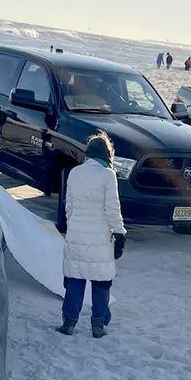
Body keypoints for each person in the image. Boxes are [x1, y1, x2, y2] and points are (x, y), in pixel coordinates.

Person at [57, 132, 126, 339]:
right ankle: (98, 324)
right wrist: (120, 233)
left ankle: (69, 322)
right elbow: (113, 209)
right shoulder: (108, 175)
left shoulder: (75, 173)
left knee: (75, 279)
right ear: (107, 154)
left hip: (77, 234)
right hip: (100, 238)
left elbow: (68, 207)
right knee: (101, 281)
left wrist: (74, 226)